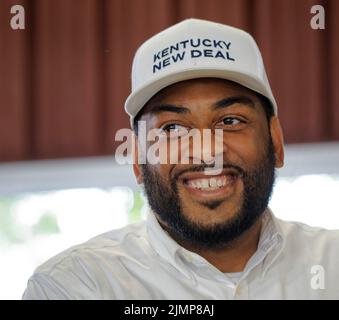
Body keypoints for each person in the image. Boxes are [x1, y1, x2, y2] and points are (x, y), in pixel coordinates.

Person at [23, 18, 339, 300]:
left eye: (230, 121)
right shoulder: (74, 287)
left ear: (276, 142)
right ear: (136, 158)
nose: (205, 151)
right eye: (172, 128)